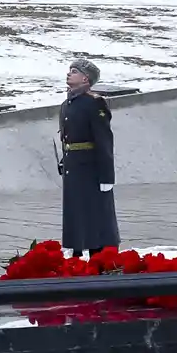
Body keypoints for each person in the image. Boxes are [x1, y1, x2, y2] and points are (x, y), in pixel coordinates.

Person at [58, 58, 118, 256]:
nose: (69, 74)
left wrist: (107, 177)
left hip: (91, 169)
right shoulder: (67, 104)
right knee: (75, 215)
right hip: (74, 167)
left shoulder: (94, 103)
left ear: (85, 78)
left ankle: (99, 257)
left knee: (95, 217)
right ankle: (76, 253)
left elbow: (103, 140)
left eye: (74, 71)